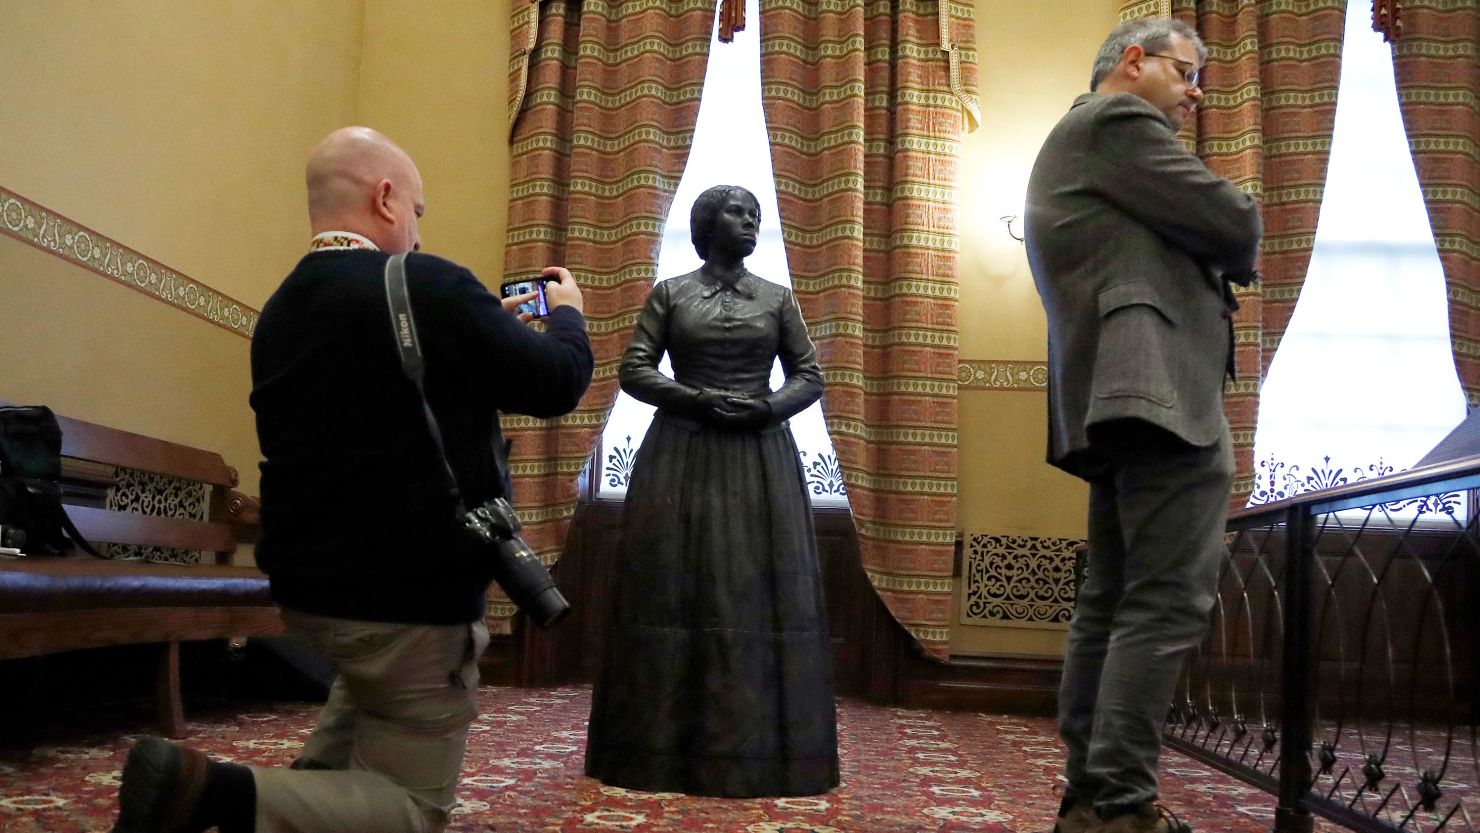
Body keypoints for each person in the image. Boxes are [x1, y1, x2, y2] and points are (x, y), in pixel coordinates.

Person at [107, 126, 594, 833]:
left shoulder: (278, 312)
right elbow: (558, 382)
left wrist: (482, 324)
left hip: (308, 596)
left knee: (371, 687)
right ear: (386, 197)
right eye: (419, 213)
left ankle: (307, 796)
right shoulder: (432, 287)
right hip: (409, 604)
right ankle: (207, 789)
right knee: (414, 805)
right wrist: (569, 314)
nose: (420, 235)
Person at [1023, 18, 1262, 833]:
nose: (1196, 94)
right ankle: (1123, 804)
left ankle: (1093, 800)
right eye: (1188, 73)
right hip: (1157, 392)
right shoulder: (1116, 122)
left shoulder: (1085, 139)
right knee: (1163, 603)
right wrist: (1228, 222)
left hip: (1123, 397)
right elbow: (1235, 222)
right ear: (1134, 61)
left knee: (1115, 598)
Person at [584, 184, 840, 797]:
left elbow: (810, 374)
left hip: (759, 455)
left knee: (754, 588)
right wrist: (697, 398)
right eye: (737, 212)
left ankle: (766, 752)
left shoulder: (778, 299)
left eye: (756, 214)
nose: (750, 222)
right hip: (680, 452)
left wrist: (766, 408)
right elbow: (635, 369)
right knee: (673, 585)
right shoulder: (670, 293)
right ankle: (655, 750)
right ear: (706, 223)